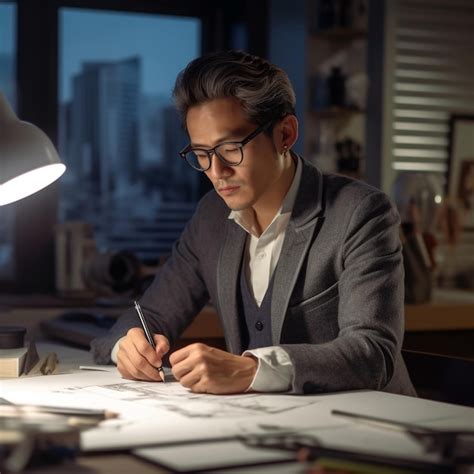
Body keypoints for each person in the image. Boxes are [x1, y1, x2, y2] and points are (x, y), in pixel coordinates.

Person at [91, 50, 416, 397]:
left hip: (373, 430)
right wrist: (127, 347)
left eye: (230, 149)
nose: (216, 173)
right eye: (201, 155)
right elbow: (148, 315)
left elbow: (373, 354)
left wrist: (253, 370)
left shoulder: (360, 212)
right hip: (270, 431)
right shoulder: (211, 217)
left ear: (285, 134)